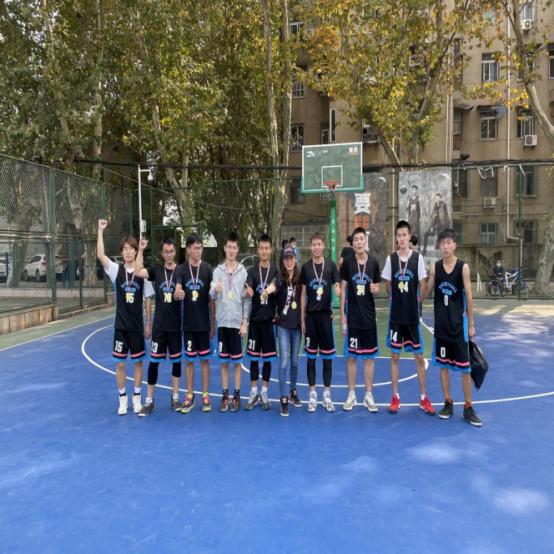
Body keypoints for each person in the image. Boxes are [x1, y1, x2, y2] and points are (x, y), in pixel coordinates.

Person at [423, 228, 482, 426]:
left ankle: (468, 407)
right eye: (443, 243)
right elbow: (426, 291)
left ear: (454, 245)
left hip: (459, 327)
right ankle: (448, 402)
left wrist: (471, 324)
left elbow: (469, 296)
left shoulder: (463, 267)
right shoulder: (435, 268)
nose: (446, 246)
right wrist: (419, 282)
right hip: (441, 327)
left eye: (449, 242)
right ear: (439, 246)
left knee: (465, 369)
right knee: (443, 367)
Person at [96, 219, 154, 416]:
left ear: (136, 251)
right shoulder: (116, 270)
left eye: (131, 249)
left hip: (137, 327)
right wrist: (100, 231)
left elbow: (148, 298)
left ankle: (136, 398)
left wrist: (148, 323)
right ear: (122, 252)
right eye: (125, 249)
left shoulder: (142, 273)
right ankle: (122, 400)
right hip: (121, 327)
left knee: (138, 363)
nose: (128, 252)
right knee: (120, 364)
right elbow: (100, 255)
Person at [381, 220, 435, 415]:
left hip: (412, 318)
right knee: (395, 356)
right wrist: (394, 298)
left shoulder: (417, 258)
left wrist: (417, 302)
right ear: (396, 238)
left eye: (405, 235)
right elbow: (387, 283)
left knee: (419, 357)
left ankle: (423, 398)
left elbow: (423, 283)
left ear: (409, 236)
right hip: (396, 318)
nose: (402, 238)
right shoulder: (391, 259)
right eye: (399, 235)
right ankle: (395, 397)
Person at [133, 237, 182, 416]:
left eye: (171, 251)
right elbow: (138, 271)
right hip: (159, 327)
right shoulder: (157, 270)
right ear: (162, 254)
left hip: (175, 327)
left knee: (176, 363)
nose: (169, 254)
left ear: (175, 252)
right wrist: (141, 250)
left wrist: (182, 294)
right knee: (153, 364)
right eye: (166, 252)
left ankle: (175, 398)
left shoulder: (181, 271)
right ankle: (149, 401)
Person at [340, 227, 381, 412]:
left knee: (369, 358)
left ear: (366, 241)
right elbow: (343, 289)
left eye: (361, 239)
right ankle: (351, 395)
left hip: (369, 318)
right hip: (353, 319)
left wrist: (376, 289)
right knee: (352, 358)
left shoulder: (373, 263)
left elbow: (377, 288)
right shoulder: (347, 263)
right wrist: (342, 315)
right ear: (353, 243)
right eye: (356, 239)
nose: (358, 242)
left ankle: (368, 396)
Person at [300, 232, 341, 412]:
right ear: (311, 247)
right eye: (313, 244)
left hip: (325, 317)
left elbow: (337, 284)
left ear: (323, 246)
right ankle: (312, 395)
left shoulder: (330, 266)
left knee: (327, 359)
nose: (316, 247)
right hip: (310, 318)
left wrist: (338, 289)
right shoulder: (306, 268)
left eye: (319, 244)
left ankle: (326, 395)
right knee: (310, 359)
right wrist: (302, 318)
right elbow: (303, 294)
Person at [209, 231, 250, 412]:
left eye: (235, 247)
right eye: (229, 247)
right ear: (224, 248)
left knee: (237, 362)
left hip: (237, 325)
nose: (232, 250)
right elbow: (211, 294)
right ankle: (225, 395)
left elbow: (246, 300)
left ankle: (236, 395)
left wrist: (245, 322)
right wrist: (215, 290)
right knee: (224, 362)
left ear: (237, 249)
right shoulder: (217, 271)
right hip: (223, 324)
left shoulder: (243, 272)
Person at [174, 234, 214, 414]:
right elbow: (177, 291)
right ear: (189, 249)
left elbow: (212, 298)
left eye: (200, 247)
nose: (199, 251)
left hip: (204, 324)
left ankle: (205, 395)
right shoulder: (181, 270)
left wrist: (212, 322)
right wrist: (178, 294)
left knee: (205, 361)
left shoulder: (207, 269)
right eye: (196, 248)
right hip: (189, 325)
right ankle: (189, 395)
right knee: (189, 361)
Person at [264, 245, 303, 416]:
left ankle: (293, 392)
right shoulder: (280, 278)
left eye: (291, 258)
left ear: (295, 259)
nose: (289, 261)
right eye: (286, 258)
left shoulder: (300, 278)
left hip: (297, 327)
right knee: (285, 361)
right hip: (283, 327)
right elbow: (273, 286)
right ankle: (283, 398)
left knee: (294, 361)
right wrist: (266, 291)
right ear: (283, 261)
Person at [244, 234, 278, 411]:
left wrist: (270, 289)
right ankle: (253, 392)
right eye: (261, 248)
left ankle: (264, 392)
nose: (264, 251)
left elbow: (277, 286)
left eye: (267, 248)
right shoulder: (252, 271)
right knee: (253, 359)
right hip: (255, 322)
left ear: (271, 250)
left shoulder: (275, 271)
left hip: (269, 322)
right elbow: (247, 289)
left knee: (268, 359)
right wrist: (247, 291)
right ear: (258, 250)